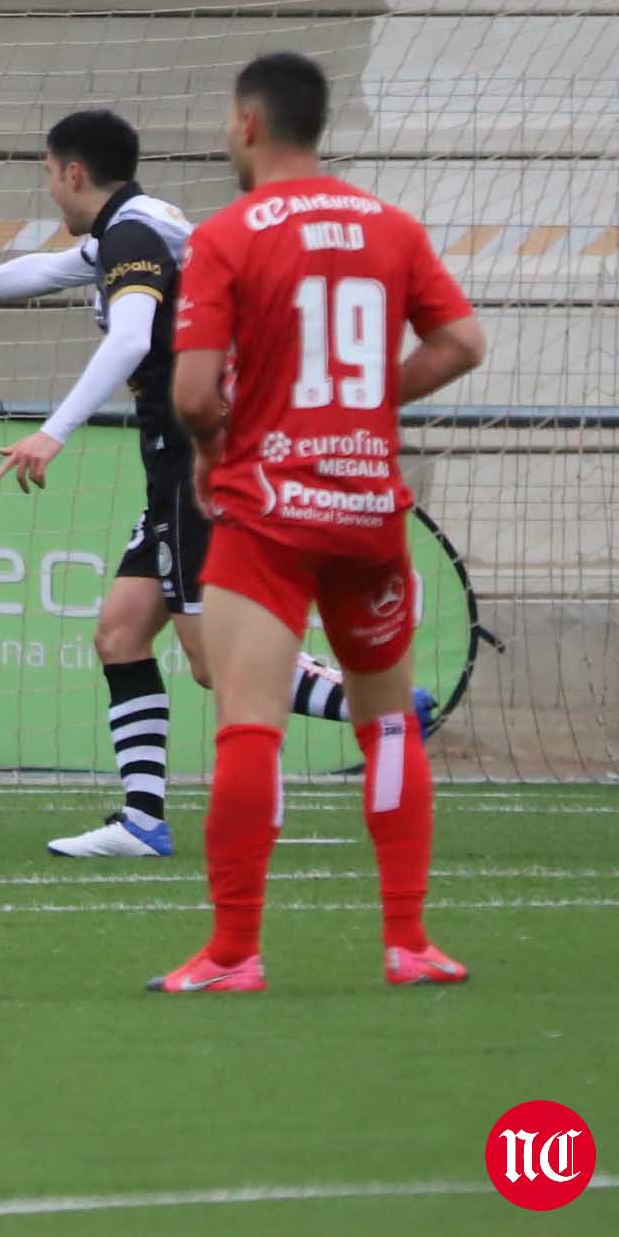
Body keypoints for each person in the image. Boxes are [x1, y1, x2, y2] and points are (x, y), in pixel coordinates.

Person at [0, 109, 423, 859]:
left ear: (72, 172)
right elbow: (48, 270)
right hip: (174, 468)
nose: (49, 190)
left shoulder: (135, 236)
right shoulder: (131, 227)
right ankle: (142, 819)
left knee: (215, 664)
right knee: (119, 633)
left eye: (47, 175)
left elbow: (134, 336)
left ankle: (390, 709)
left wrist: (55, 430)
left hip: (195, 464)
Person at [150, 51, 482, 995]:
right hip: (371, 510)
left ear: (249, 124)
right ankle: (410, 943)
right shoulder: (391, 225)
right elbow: (462, 343)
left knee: (249, 730)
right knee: (386, 729)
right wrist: (374, 402)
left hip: (271, 513)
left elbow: (192, 391)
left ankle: (232, 954)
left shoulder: (227, 235)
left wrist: (214, 452)